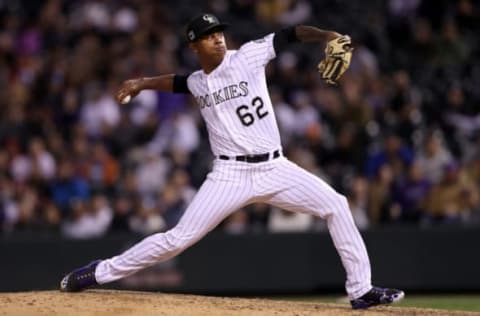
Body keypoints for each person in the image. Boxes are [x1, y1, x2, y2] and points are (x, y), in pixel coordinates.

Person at [59, 13, 404, 310]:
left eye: (219, 33)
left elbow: (290, 34)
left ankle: (360, 290)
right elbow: (178, 82)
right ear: (194, 46)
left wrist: (327, 35)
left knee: (337, 205)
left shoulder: (248, 56)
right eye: (209, 37)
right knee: (177, 239)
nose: (218, 40)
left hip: (275, 167)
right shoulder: (198, 82)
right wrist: (143, 83)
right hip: (230, 174)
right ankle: (99, 271)